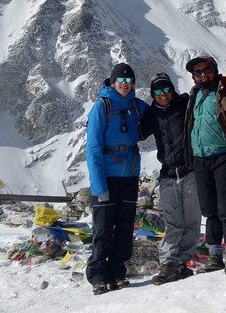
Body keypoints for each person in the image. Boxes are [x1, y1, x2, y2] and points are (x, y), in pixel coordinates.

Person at [85, 63, 150, 295]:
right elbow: (92, 149)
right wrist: (98, 185)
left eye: (128, 81)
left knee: (124, 228)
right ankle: (97, 275)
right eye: (120, 81)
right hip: (107, 177)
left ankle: (117, 273)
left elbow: (158, 114)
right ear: (112, 83)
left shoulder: (136, 105)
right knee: (103, 229)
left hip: (130, 175)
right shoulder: (102, 106)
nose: (124, 85)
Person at [143, 72, 201, 285]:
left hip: (189, 171)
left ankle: (182, 263)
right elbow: (138, 133)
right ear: (152, 94)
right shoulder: (150, 115)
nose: (163, 94)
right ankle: (167, 263)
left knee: (193, 221)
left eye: (167, 89)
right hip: (167, 175)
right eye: (158, 91)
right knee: (173, 222)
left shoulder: (183, 104)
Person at [184, 54, 226, 273]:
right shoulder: (194, 95)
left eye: (206, 70)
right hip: (200, 157)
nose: (203, 75)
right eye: (198, 72)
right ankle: (215, 253)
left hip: (222, 154)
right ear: (193, 77)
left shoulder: (224, 90)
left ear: (214, 70)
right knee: (210, 209)